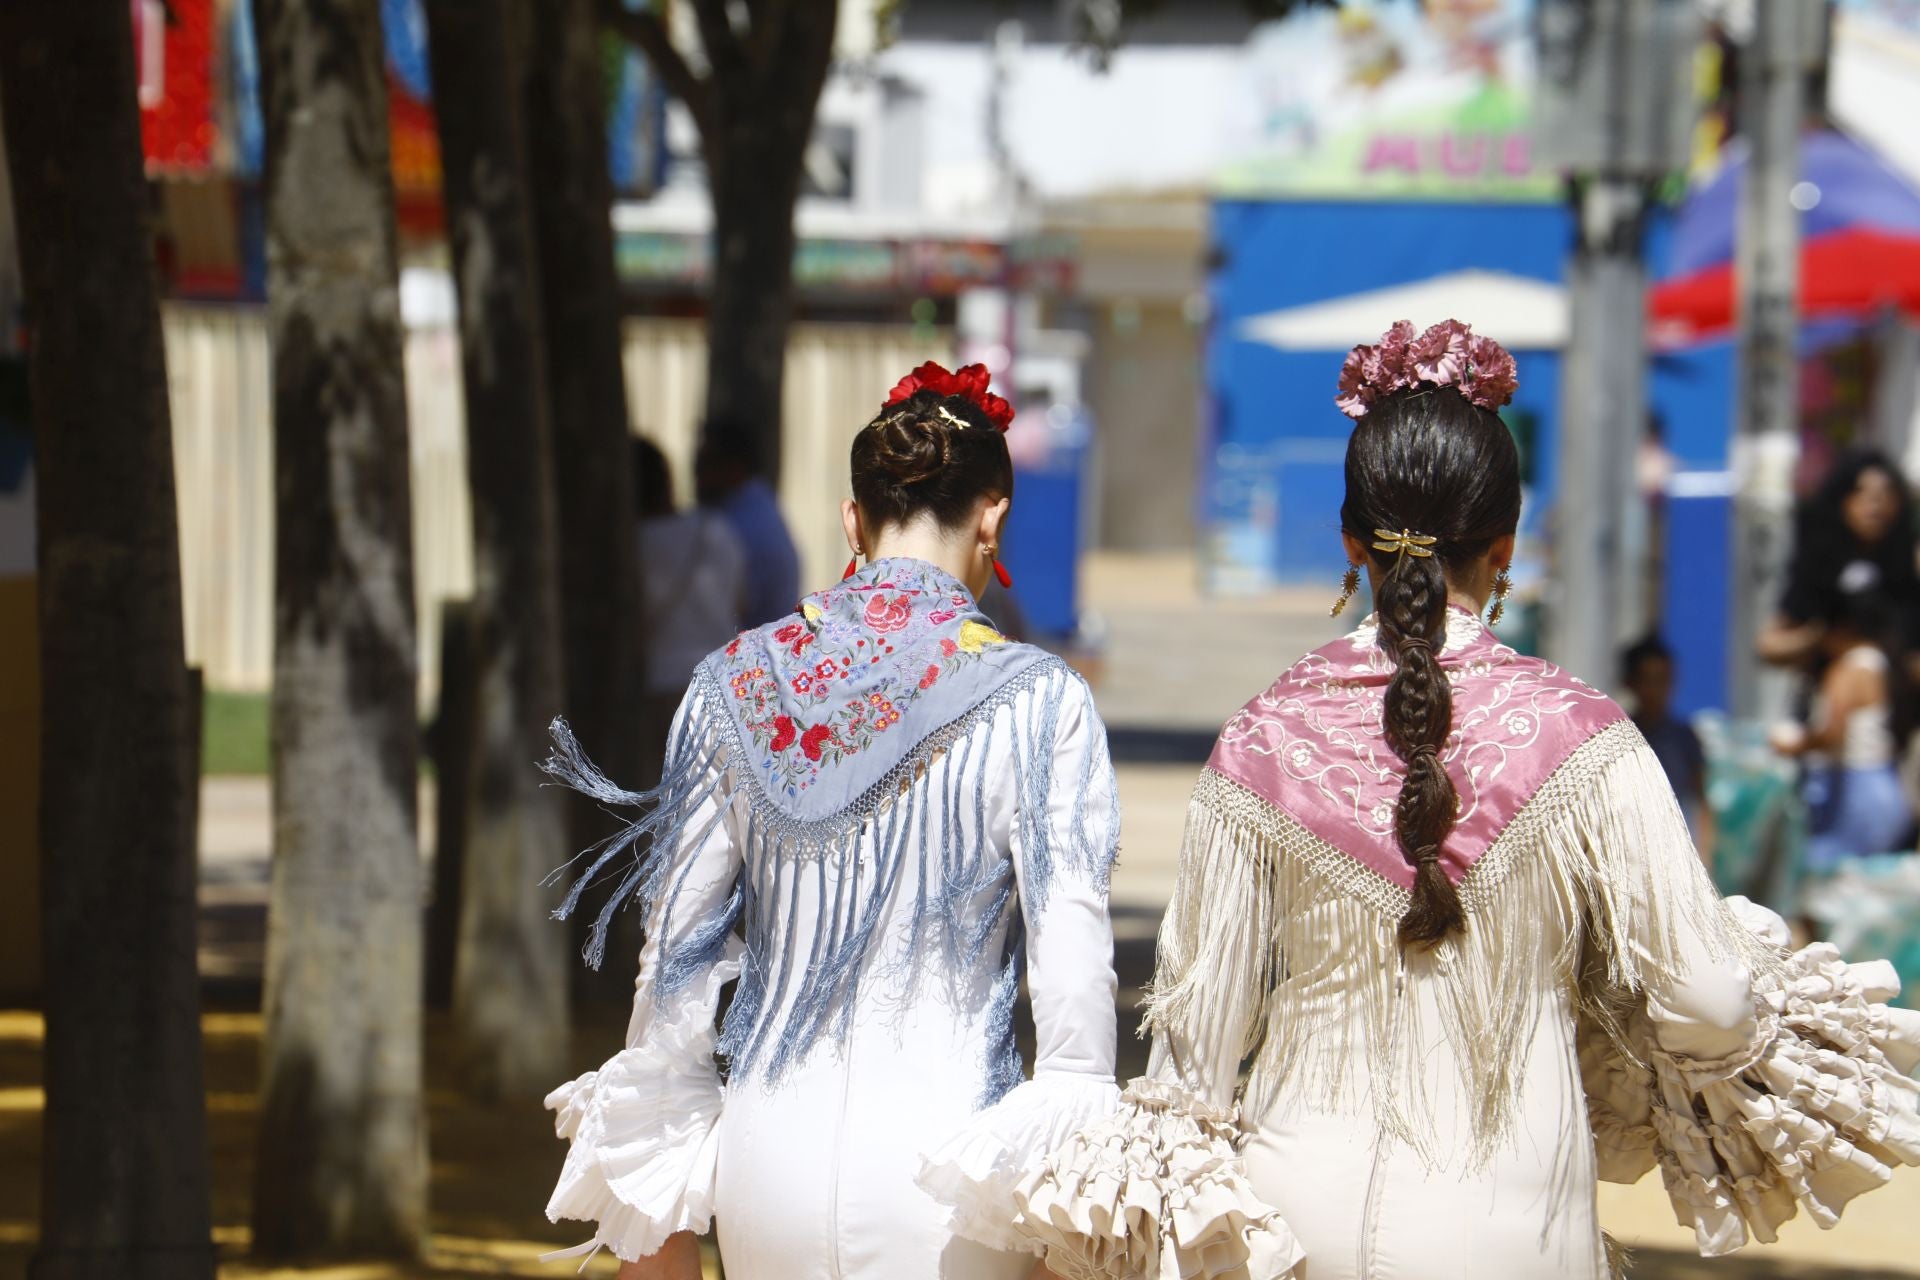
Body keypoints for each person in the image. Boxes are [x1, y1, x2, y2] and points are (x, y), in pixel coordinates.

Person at [933, 321, 1920, 1279]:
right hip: (1511, 1217)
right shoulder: (1586, 736)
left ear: (1351, 545)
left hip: (1294, 1208)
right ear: (1507, 543)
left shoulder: (1260, 738)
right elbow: (1708, 996)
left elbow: (1191, 1065)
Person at [540, 360, 1122, 1279]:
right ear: (994, 517)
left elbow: (674, 966)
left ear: (854, 521)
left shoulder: (732, 682)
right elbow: (1074, 977)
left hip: (766, 1163)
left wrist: (657, 1204)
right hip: (954, 1171)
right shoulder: (1038, 702)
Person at [1772, 586, 1917, 870]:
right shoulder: (1880, 661)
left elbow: (1832, 734)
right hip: (1886, 787)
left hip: (1856, 796)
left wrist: (1793, 745)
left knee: (1828, 878)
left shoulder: (1849, 669)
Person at [1760, 449, 1920, 674]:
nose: (1874, 504)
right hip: (1834, 688)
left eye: (1885, 494)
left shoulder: (1908, 568)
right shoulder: (1820, 568)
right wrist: (1819, 638)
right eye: (1861, 492)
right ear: (1842, 501)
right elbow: (1769, 645)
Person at [632, 437, 747, 705]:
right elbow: (743, 604)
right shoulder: (716, 529)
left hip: (658, 688)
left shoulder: (634, 544)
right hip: (721, 685)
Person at [1622, 633, 1717, 868]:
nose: (1656, 691)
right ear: (1630, 682)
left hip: (1678, 851)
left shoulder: (1684, 738)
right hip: (1632, 850)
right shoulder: (1619, 736)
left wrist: (1704, 857)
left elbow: (1701, 799)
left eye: (1663, 680)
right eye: (1648, 680)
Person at [695, 420, 801, 630]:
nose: (698, 476)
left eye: (706, 463)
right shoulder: (753, 509)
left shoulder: (736, 526)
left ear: (734, 466)